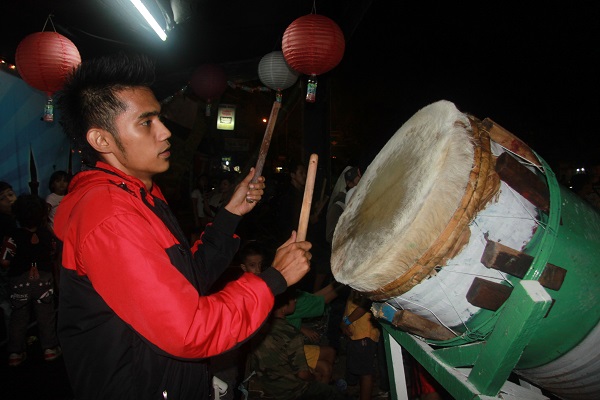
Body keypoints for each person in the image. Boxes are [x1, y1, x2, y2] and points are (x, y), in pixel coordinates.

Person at [54, 52, 311, 399]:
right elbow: (190, 329)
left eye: (159, 118)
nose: (164, 132)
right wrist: (274, 279)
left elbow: (186, 278)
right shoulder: (110, 216)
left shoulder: (141, 195)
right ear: (102, 140)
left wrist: (229, 216)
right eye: (146, 122)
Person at [247, 288, 346, 400]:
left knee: (325, 362)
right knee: (332, 393)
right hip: (290, 391)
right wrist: (314, 377)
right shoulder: (291, 334)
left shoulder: (259, 325)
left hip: (266, 380)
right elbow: (302, 374)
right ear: (283, 307)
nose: (295, 301)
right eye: (293, 299)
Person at [3, 194, 61, 366]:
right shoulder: (47, 235)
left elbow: (5, 261)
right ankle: (50, 349)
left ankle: (15, 353)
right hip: (44, 281)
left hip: (19, 283)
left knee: (18, 317)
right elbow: (53, 253)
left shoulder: (12, 236)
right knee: (46, 315)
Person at [340, 289, 380, 400]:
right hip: (356, 332)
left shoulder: (366, 282)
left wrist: (346, 322)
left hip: (365, 334)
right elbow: (348, 306)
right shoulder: (353, 282)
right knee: (357, 367)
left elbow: (365, 306)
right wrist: (344, 323)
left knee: (365, 372)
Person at [0, 181, 17, 343]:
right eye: (2, 198)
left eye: (10, 194)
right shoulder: (7, 222)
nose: (9, 200)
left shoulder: (13, 219)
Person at [45, 170, 70, 234]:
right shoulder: (51, 198)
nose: (62, 184)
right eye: (58, 181)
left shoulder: (69, 197)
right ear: (53, 184)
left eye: (64, 181)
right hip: (54, 231)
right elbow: (44, 217)